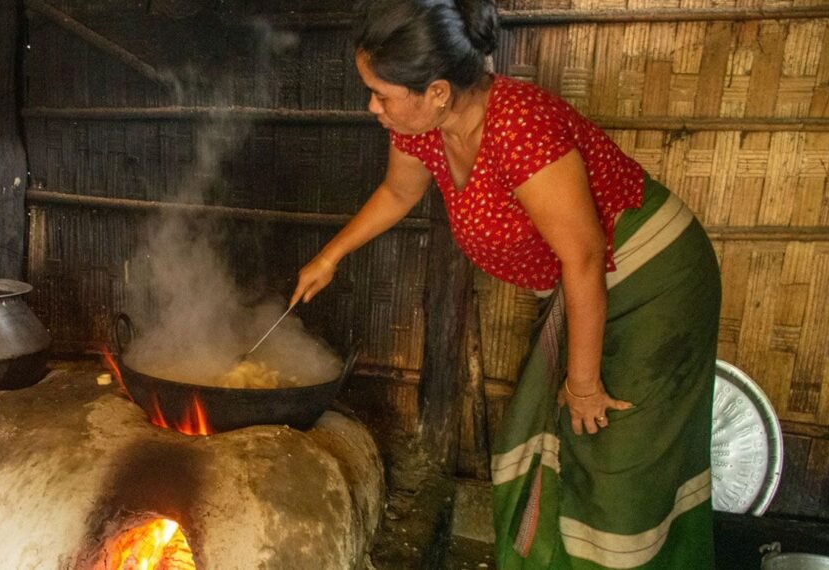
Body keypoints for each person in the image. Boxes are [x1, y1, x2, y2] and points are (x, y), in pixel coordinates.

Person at [289, 0, 721, 568]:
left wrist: (583, 382)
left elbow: (585, 255)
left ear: (437, 91)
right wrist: (330, 256)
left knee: (616, 451)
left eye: (381, 94)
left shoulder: (520, 128)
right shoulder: (422, 128)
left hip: (652, 278)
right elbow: (398, 193)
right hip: (584, 287)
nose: (373, 107)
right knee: (549, 435)